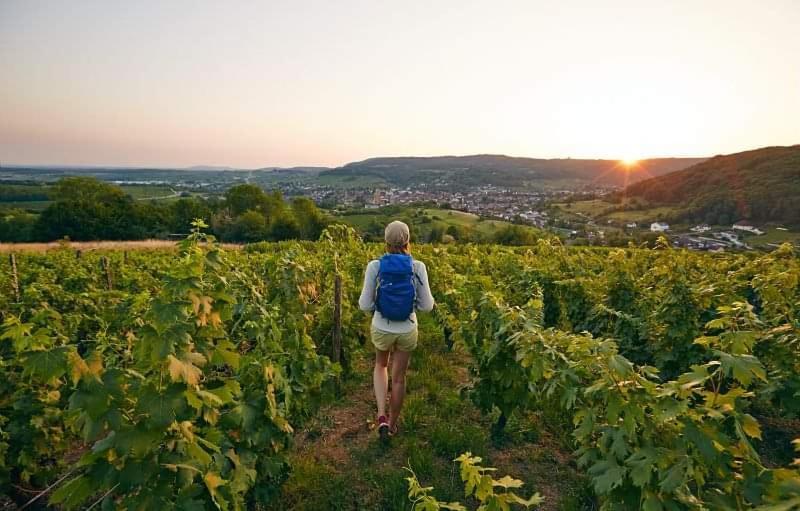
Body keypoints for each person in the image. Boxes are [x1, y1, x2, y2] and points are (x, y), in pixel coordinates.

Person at [358, 220, 434, 442]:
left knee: (380, 365)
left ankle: (381, 415)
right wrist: (413, 307)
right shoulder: (417, 267)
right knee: (399, 378)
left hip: (382, 327)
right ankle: (392, 425)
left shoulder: (375, 266)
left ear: (386, 242)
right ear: (408, 241)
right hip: (408, 328)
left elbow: (364, 304)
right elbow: (427, 306)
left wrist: (378, 309)